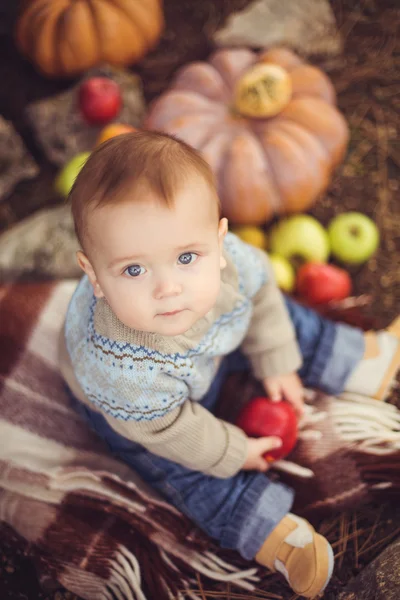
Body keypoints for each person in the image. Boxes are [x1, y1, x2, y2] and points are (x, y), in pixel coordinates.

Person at [59, 131, 400, 598]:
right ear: (94, 275)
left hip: (207, 348)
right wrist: (233, 450)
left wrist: (277, 360)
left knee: (280, 315)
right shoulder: (120, 372)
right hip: (148, 418)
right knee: (183, 473)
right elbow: (174, 430)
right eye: (134, 270)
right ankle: (270, 534)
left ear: (219, 242)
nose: (168, 288)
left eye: (185, 257)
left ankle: (358, 361)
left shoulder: (230, 265)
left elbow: (262, 295)